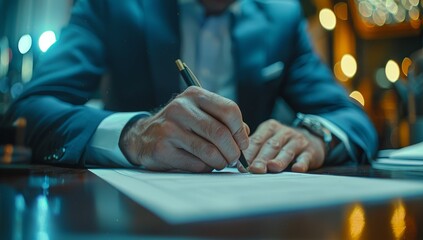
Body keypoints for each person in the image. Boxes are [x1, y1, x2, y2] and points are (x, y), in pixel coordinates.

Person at [4, 0, 377, 173]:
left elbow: (351, 119)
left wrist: (314, 136)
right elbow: (30, 109)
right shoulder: (113, 6)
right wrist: (135, 134)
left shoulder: (282, 16)